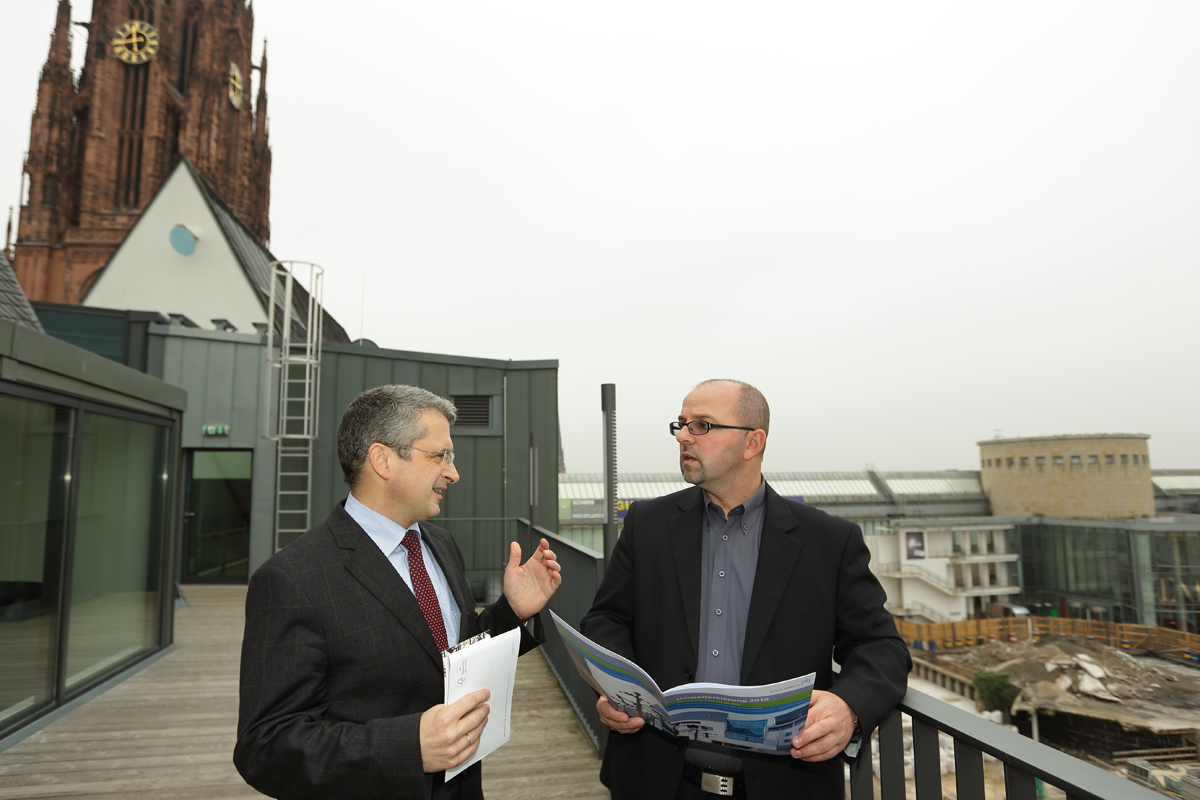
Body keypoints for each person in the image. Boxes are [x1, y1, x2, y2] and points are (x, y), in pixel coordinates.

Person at [580, 379, 910, 799]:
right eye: (680, 424)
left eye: (702, 426)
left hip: (784, 787)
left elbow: (881, 645)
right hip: (657, 782)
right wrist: (619, 689)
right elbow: (606, 619)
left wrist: (850, 708)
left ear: (752, 442)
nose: (683, 436)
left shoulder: (828, 541)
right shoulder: (647, 525)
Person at [234, 385, 562, 800]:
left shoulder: (441, 545)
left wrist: (511, 612)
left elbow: (449, 655)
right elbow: (265, 746)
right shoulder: (292, 579)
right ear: (383, 459)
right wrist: (407, 749)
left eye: (452, 457)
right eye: (439, 455)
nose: (453, 472)